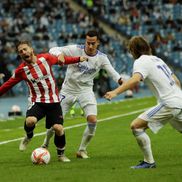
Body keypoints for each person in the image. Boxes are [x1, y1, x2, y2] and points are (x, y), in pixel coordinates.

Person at [0, 41, 87, 162]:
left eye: (25, 49)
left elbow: (63, 60)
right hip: (38, 101)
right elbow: (7, 85)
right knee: (30, 121)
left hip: (54, 101)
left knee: (58, 128)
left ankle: (61, 155)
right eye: (20, 52)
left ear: (31, 49)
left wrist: (78, 58)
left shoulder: (45, 58)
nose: (23, 52)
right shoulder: (21, 70)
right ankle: (28, 136)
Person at [42, 30, 123, 159]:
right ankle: (45, 144)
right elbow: (53, 49)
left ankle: (82, 150)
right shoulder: (75, 49)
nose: (90, 46)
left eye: (93, 43)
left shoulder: (102, 58)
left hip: (86, 91)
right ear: (85, 41)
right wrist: (59, 55)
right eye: (88, 43)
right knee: (55, 123)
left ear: (98, 43)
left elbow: (113, 73)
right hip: (68, 90)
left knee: (93, 120)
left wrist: (121, 81)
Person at [104, 36, 182, 169]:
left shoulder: (141, 61)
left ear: (133, 50)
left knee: (136, 126)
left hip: (169, 103)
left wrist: (115, 92)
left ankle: (149, 162)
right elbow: (176, 80)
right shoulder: (158, 59)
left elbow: (135, 80)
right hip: (179, 99)